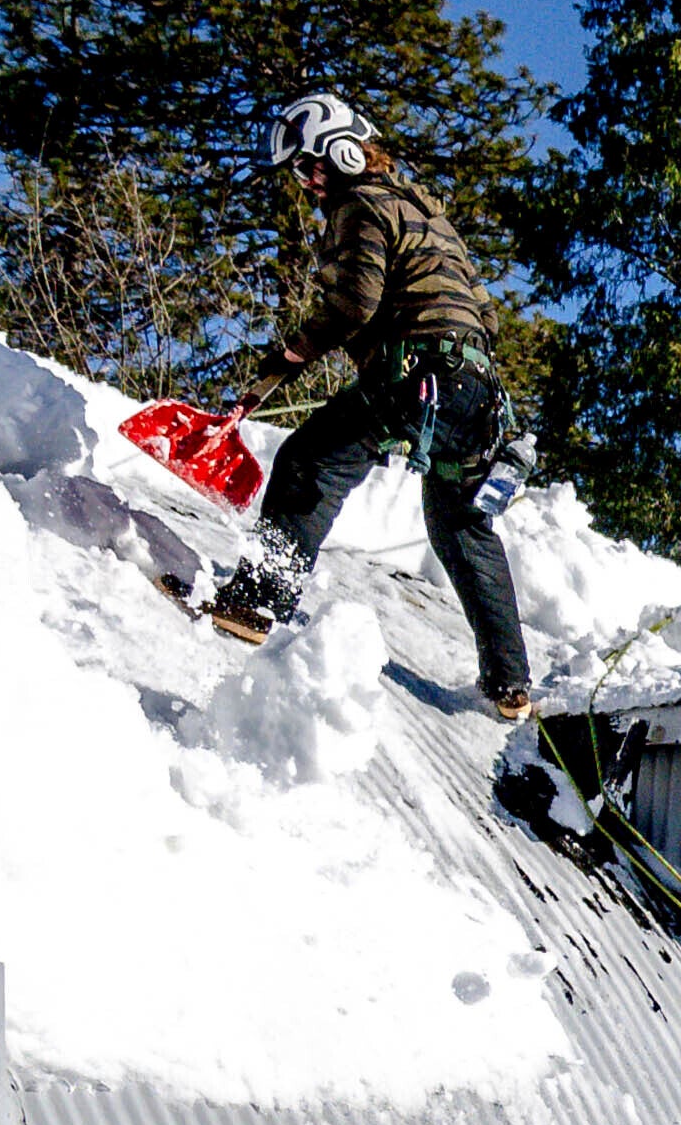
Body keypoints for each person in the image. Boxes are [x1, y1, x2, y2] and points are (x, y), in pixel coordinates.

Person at [197, 87, 535, 716]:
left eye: (310, 165)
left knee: (309, 463)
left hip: (417, 375)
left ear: (346, 153)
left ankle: (254, 603)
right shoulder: (430, 216)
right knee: (461, 526)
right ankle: (510, 686)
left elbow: (355, 304)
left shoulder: (362, 206)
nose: (307, 182)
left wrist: (292, 357)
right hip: (479, 394)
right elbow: (483, 313)